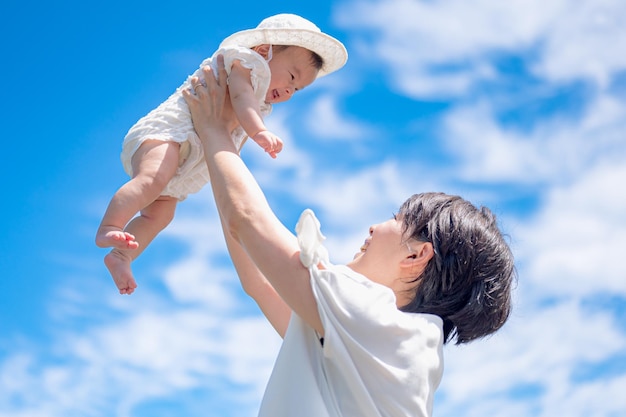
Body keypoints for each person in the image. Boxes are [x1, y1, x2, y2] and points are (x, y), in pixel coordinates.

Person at [182, 59, 516, 417]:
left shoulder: (376, 318)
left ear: (416, 257)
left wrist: (214, 128)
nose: (373, 228)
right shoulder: (386, 341)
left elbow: (247, 221)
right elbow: (262, 278)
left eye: (396, 220)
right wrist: (223, 148)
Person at [95, 14, 348, 295]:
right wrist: (259, 132)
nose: (289, 90)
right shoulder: (244, 64)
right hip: (169, 135)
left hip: (188, 158)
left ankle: (121, 256)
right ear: (265, 51)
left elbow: (233, 139)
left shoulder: (260, 101)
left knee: (162, 214)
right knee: (153, 178)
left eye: (296, 89)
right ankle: (110, 225)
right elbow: (240, 99)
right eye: (291, 76)